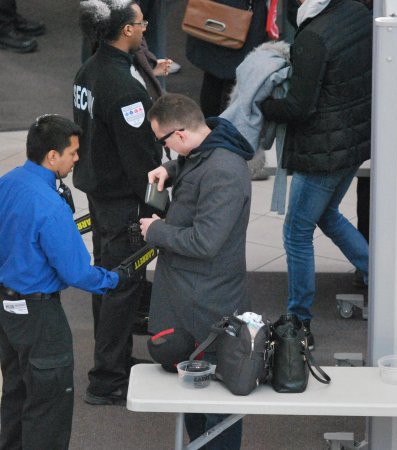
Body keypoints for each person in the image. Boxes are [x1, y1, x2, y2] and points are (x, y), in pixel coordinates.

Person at [0, 115, 124, 449]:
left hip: (8, 314)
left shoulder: (7, 183)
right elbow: (76, 272)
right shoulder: (51, 206)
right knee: (49, 408)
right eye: (72, 152)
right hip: (41, 318)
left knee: (16, 394)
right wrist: (114, 280)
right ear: (52, 157)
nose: (77, 158)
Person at [140, 93, 254, 449]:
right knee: (193, 396)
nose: (165, 150)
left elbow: (206, 242)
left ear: (181, 135)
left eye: (163, 143)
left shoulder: (225, 172)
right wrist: (171, 170)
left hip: (208, 307)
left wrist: (155, 231)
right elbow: (195, 162)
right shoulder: (206, 145)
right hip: (192, 299)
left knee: (216, 406)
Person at [259, 0, 372, 349]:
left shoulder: (314, 37)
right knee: (327, 214)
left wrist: (260, 101)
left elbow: (298, 106)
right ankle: (384, 278)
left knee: (296, 230)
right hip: (354, 141)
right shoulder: (357, 13)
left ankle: (298, 317)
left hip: (323, 151)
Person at [73, 0, 163, 406]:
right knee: (121, 284)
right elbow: (141, 158)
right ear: (127, 30)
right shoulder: (124, 87)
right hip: (123, 200)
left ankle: (115, 362)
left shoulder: (87, 70)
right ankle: (108, 377)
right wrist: (155, 205)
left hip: (98, 190)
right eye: (141, 23)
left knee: (107, 278)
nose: (145, 28)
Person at [186, 0, 268, 117]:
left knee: (214, 77)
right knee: (234, 77)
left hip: (212, 13)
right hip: (240, 16)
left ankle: (213, 126)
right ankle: (221, 127)